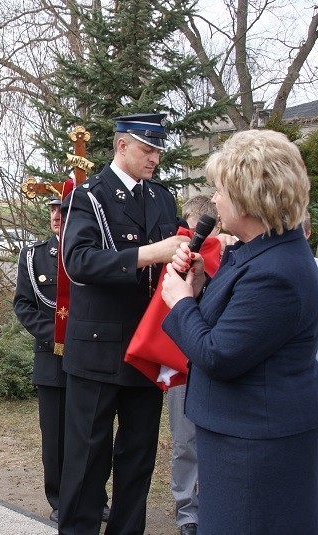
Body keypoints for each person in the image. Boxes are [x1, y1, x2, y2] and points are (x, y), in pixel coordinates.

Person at [161, 129, 318, 533]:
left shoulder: (277, 271)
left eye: (220, 190)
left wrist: (179, 302)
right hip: (237, 436)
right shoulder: (260, 253)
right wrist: (196, 288)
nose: (214, 199)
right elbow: (238, 324)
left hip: (254, 450)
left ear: (249, 199)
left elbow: (220, 354)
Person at [58, 113, 189, 534]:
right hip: (98, 348)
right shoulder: (88, 196)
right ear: (121, 146)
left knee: (138, 458)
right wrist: (150, 253)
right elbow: (77, 261)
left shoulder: (162, 198)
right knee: (86, 461)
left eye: (158, 151)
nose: (154, 158)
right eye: (147, 149)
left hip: (148, 346)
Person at [13, 198, 109, 525]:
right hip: (52, 360)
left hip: (92, 358)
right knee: (55, 439)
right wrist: (58, 338)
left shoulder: (95, 253)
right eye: (53, 210)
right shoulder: (34, 256)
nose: (56, 216)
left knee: (94, 431)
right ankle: (59, 500)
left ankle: (96, 497)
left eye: (64, 211)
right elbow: (24, 306)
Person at [167, 194, 221, 535]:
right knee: (185, 441)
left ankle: (212, 507)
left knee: (213, 441)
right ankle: (187, 511)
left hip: (215, 360)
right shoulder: (172, 255)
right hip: (178, 361)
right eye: (188, 223)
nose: (191, 230)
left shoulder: (228, 255)